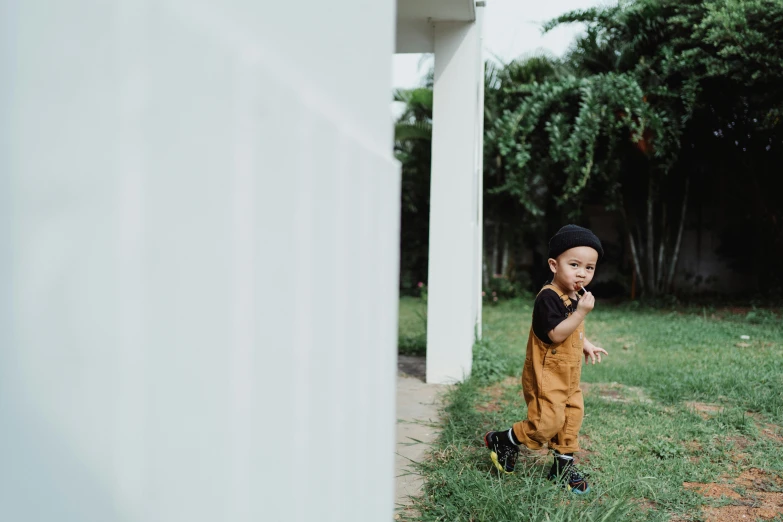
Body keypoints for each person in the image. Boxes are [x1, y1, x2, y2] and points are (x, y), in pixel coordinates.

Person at [484, 225, 609, 494]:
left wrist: (586, 344)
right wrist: (582, 313)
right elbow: (555, 334)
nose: (582, 273)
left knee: (571, 418)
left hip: (569, 375)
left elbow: (572, 330)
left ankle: (562, 468)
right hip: (546, 375)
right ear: (554, 264)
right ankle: (503, 440)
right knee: (546, 423)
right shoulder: (548, 298)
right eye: (574, 264)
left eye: (589, 268)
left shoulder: (575, 295)